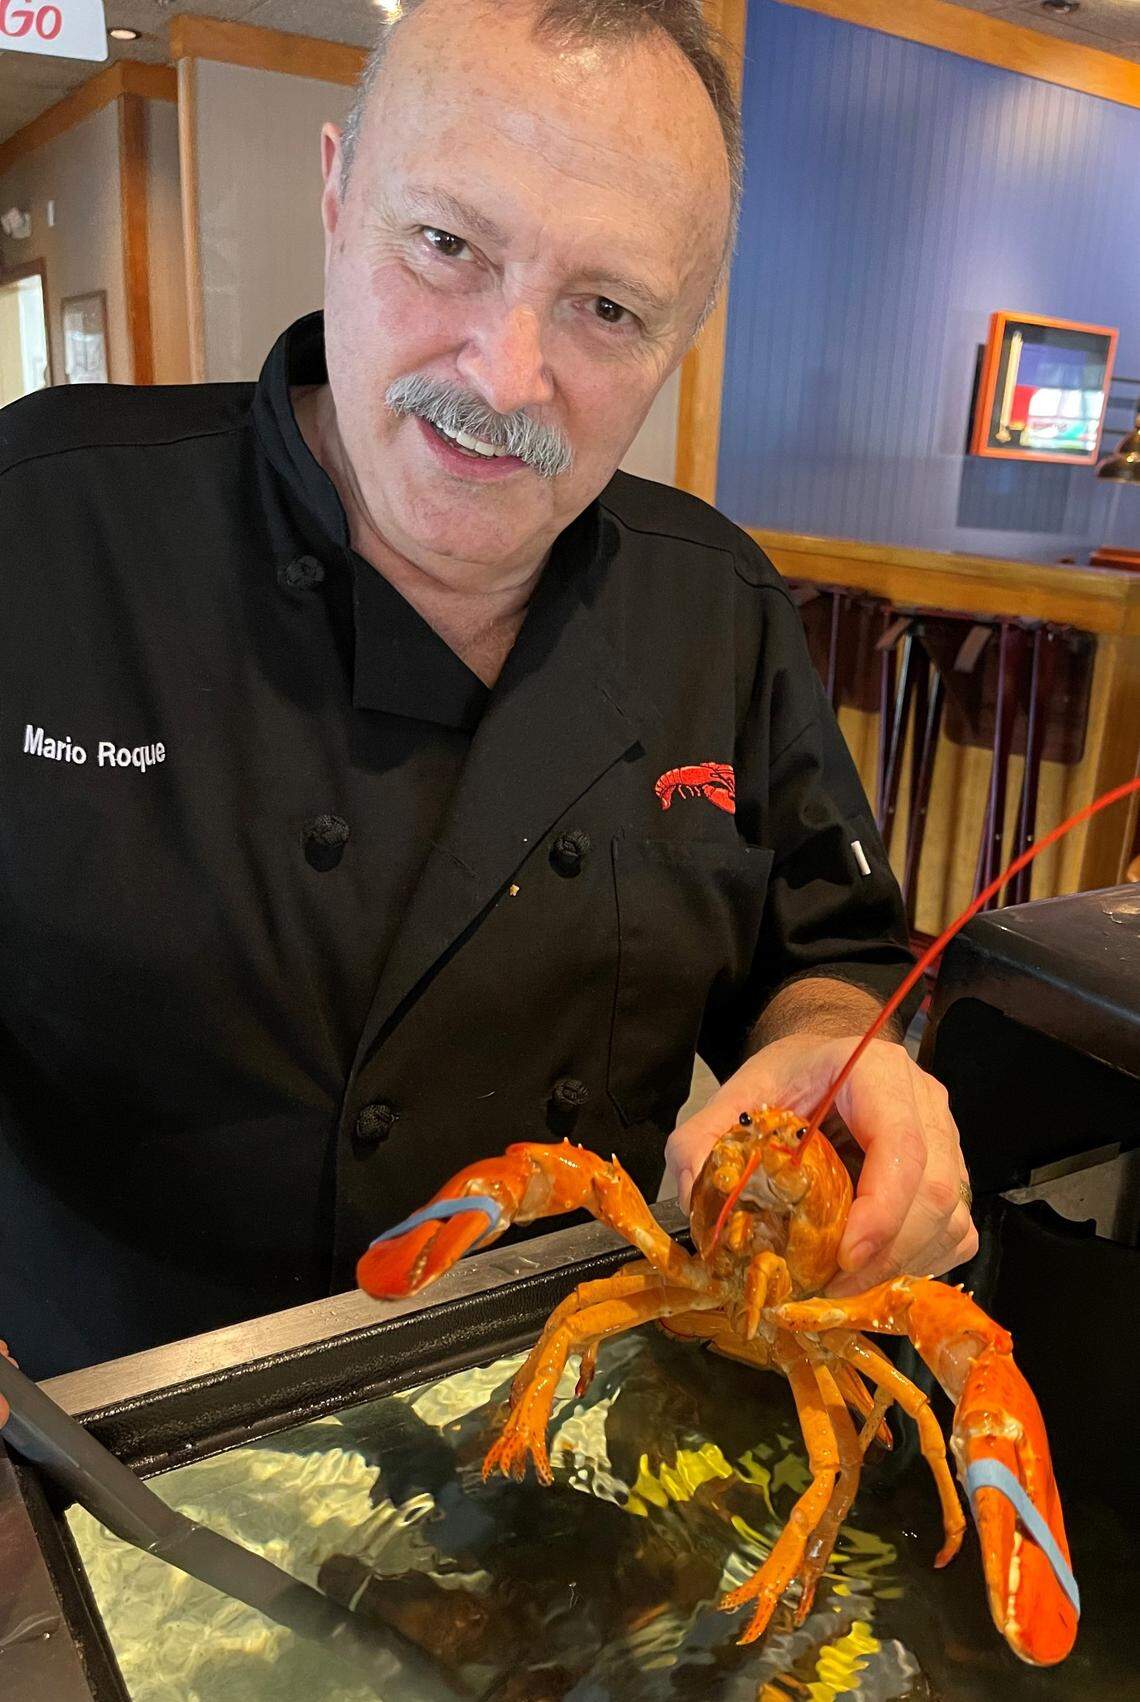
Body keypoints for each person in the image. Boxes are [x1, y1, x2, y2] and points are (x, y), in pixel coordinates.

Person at [0, 0, 975, 1385]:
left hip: (568, 1436)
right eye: (448, 244)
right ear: (338, 195)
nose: (505, 374)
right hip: (92, 1470)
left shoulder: (719, 604)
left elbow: (831, 958)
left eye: (607, 307)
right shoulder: (37, 522)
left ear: (683, 333)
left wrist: (836, 1053)